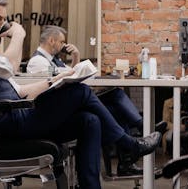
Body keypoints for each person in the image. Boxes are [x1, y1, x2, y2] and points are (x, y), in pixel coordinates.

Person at [0, 0, 161, 189]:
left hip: (13, 117)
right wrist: (18, 35)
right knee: (81, 93)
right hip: (2, 125)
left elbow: (19, 91)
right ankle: (128, 145)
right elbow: (8, 68)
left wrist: (55, 80)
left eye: (3, 20)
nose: (2, 25)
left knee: (89, 121)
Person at [26, 25, 167, 176]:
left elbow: (68, 74)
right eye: (61, 42)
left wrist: (75, 58)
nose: (63, 46)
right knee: (115, 95)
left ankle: (127, 161)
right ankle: (140, 132)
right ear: (51, 40)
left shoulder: (53, 60)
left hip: (68, 104)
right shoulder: (38, 61)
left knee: (115, 108)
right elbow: (57, 84)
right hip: (57, 111)